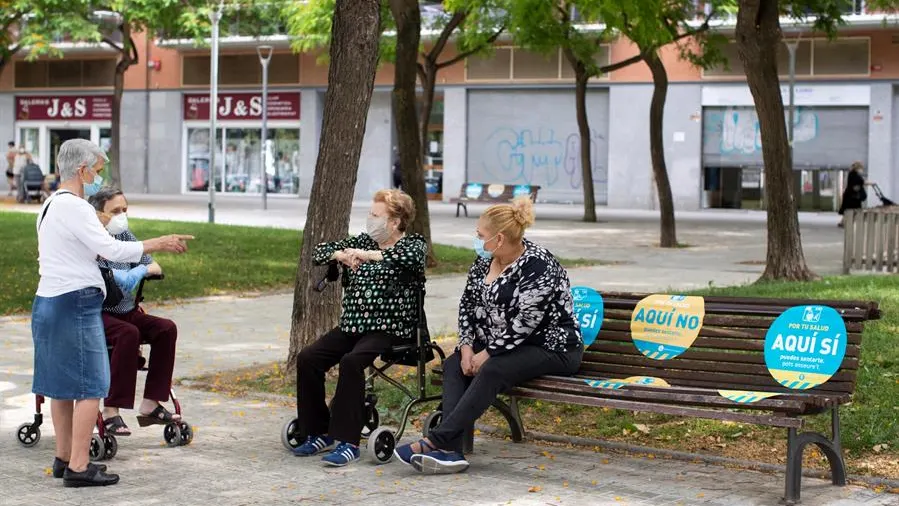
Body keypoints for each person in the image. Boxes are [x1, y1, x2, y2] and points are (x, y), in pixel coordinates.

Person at [32, 139, 193, 487]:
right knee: (92, 385)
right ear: (82, 169)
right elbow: (111, 248)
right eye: (97, 170)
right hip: (75, 302)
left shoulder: (49, 206)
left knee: (60, 388)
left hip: (47, 301)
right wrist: (159, 242)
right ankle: (78, 467)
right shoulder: (75, 207)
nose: (97, 177)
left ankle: (62, 458)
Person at [394, 197, 583, 474]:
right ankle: (451, 452)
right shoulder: (485, 261)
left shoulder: (538, 265)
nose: (476, 239)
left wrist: (488, 353)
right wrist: (467, 347)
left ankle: (437, 441)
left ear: (499, 238)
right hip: (503, 344)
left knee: (493, 368)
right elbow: (467, 304)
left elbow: (526, 322)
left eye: (480, 235)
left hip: (553, 347)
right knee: (453, 364)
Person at [293, 189, 426, 467]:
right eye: (370, 214)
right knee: (308, 358)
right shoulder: (363, 240)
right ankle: (319, 432)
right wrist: (342, 255)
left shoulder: (413, 245)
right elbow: (319, 252)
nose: (370, 220)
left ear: (395, 222)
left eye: (376, 216)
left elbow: (403, 259)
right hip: (354, 324)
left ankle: (348, 442)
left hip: (390, 328)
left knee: (352, 362)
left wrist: (364, 255)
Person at [88, 187, 180, 437]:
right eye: (115, 211)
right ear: (97, 213)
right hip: (98, 312)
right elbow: (108, 278)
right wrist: (131, 272)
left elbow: (154, 265)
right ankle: (111, 411)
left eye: (124, 210)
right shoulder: (91, 239)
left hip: (127, 309)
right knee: (128, 333)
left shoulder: (126, 236)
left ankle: (151, 402)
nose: (121, 216)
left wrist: (138, 271)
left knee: (166, 328)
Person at [839, 161, 873, 227]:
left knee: (849, 210)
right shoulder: (854, 175)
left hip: (850, 195)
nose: (862, 170)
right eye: (861, 168)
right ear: (858, 168)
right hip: (852, 196)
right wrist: (871, 184)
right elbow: (861, 182)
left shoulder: (852, 174)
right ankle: (846, 222)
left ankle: (843, 222)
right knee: (853, 210)